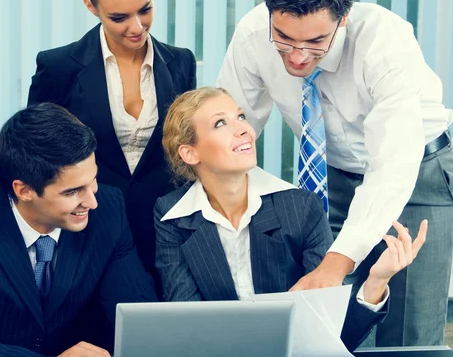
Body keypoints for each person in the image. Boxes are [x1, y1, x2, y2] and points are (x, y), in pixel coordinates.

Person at [216, 0, 452, 346]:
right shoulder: (253, 34)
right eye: (285, 38)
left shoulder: (384, 42)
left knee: (406, 334)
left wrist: (337, 263)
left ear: (342, 19)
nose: (296, 56)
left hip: (418, 172)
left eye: (314, 42)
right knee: (327, 322)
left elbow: (393, 164)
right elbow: (230, 128)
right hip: (331, 176)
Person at [155, 87, 427, 352]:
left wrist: (376, 282)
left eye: (240, 116)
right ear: (190, 153)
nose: (243, 129)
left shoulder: (301, 208)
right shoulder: (172, 217)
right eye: (220, 123)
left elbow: (331, 336)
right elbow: (188, 327)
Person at [0, 103, 157, 356]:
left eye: (93, 180)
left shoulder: (108, 209)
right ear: (24, 190)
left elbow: (136, 316)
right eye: (73, 191)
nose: (92, 201)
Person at [27, 0, 197, 288]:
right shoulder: (58, 68)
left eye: (145, 9)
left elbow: (187, 152)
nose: (136, 27)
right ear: (91, 6)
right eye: (119, 17)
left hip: (164, 232)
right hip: (86, 232)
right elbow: (34, 158)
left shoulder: (181, 63)